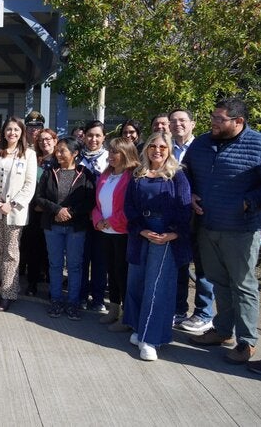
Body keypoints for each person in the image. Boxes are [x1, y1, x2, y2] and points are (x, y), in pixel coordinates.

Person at [183, 98, 261, 367]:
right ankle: (223, 331)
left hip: (240, 230)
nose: (213, 123)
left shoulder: (258, 144)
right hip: (208, 226)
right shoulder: (202, 143)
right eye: (213, 117)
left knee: (243, 286)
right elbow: (186, 172)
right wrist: (190, 192)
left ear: (238, 121)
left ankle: (247, 341)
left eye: (220, 119)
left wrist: (248, 202)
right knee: (220, 282)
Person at [123, 132, 192, 361]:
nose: (157, 150)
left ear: (169, 150)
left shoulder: (177, 175)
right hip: (141, 232)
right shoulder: (137, 175)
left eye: (163, 146)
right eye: (153, 146)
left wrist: (173, 234)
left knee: (156, 288)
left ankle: (150, 339)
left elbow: (184, 208)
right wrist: (140, 229)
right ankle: (137, 327)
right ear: (146, 149)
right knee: (137, 282)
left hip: (166, 234)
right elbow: (129, 206)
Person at [0, 117, 37, 311]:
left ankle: (8, 293)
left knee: (11, 251)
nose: (12, 133)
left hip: (14, 210)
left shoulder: (28, 154)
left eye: (16, 130)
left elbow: (30, 184)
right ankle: (3, 280)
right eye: (9, 129)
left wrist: (11, 204)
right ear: (3, 132)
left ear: (21, 133)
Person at [35, 136, 95, 320]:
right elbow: (39, 197)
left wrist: (70, 212)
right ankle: (56, 300)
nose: (58, 153)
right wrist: (57, 210)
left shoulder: (85, 174)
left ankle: (73, 302)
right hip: (52, 226)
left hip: (75, 227)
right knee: (55, 265)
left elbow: (90, 200)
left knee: (75, 266)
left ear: (75, 153)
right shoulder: (49, 172)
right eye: (57, 150)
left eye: (63, 150)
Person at [169, 108, 214, 333]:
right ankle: (178, 310)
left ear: (193, 124)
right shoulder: (165, 148)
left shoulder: (204, 148)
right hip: (175, 219)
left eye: (183, 120)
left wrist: (195, 194)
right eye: (173, 121)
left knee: (203, 267)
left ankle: (204, 313)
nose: (178, 124)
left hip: (199, 216)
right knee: (179, 265)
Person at [91, 137, 139, 330]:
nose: (110, 155)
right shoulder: (106, 175)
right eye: (110, 151)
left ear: (126, 153)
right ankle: (114, 309)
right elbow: (97, 203)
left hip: (122, 233)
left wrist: (109, 221)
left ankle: (127, 316)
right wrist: (98, 220)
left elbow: (130, 207)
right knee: (111, 271)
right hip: (106, 232)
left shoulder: (132, 176)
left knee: (123, 274)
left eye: (115, 152)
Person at [21, 128, 57, 296]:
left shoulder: (61, 159)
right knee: (32, 248)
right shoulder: (33, 159)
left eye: (48, 139)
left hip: (51, 211)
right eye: (41, 140)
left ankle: (52, 285)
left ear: (55, 140)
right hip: (33, 210)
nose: (45, 142)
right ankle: (32, 283)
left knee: (51, 251)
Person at [78, 120, 109, 312]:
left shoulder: (109, 158)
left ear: (104, 137)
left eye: (98, 135)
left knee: (100, 260)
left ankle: (98, 297)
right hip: (81, 217)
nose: (93, 139)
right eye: (90, 135)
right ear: (84, 136)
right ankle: (81, 295)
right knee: (81, 258)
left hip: (104, 219)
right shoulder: (77, 158)